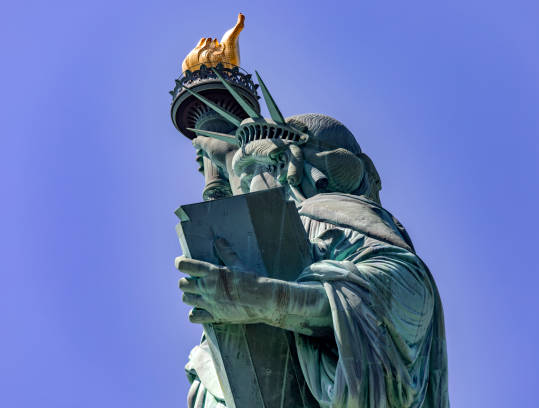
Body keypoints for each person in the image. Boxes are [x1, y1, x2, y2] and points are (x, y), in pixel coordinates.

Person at [176, 113, 450, 408]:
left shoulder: (355, 229)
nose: (251, 186)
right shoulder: (292, 231)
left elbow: (380, 301)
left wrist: (261, 297)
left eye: (262, 171)